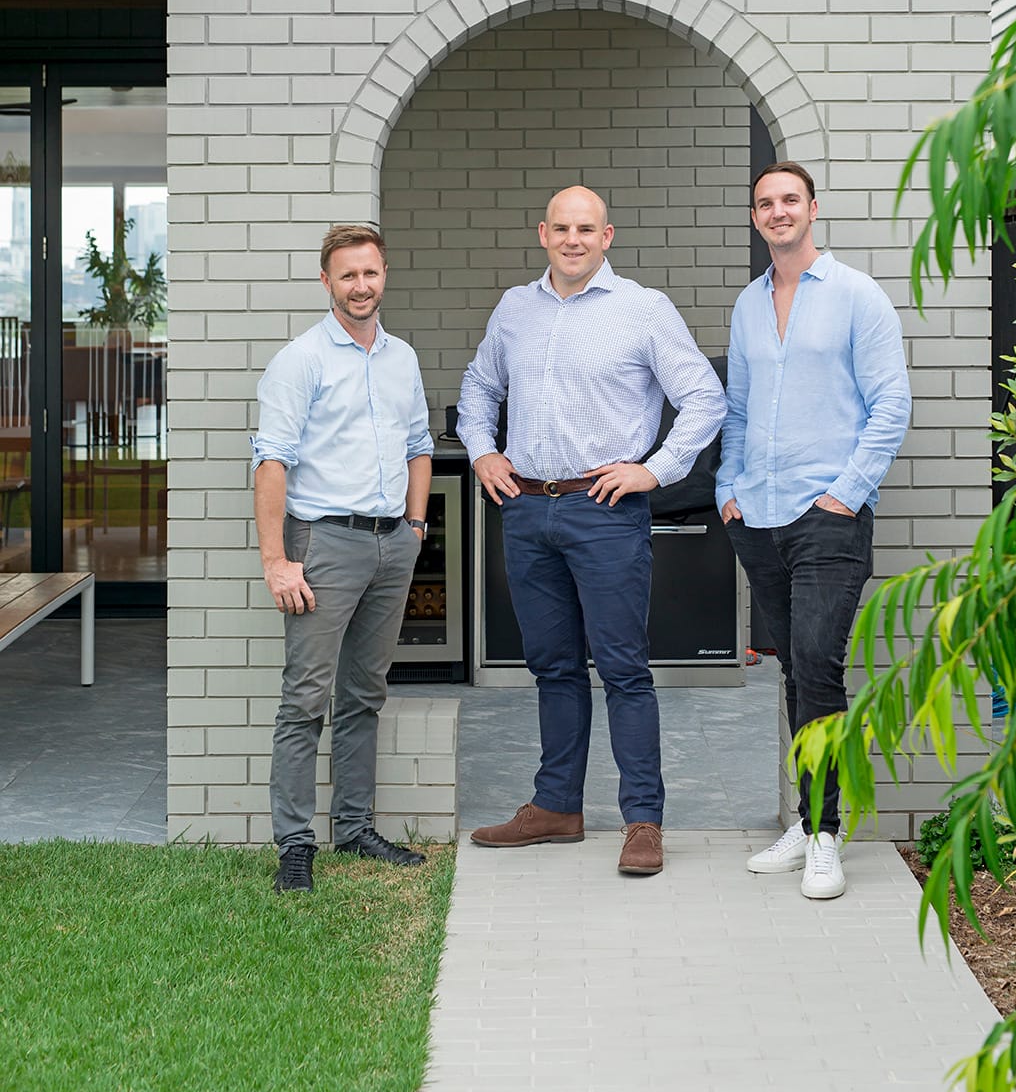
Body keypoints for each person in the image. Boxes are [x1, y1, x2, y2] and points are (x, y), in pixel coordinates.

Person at [457, 186, 727, 877]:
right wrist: (483, 451)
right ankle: (556, 808)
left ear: (606, 237)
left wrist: (655, 469)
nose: (572, 239)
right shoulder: (514, 309)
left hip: (603, 512)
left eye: (586, 229)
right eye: (561, 228)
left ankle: (643, 821)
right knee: (551, 666)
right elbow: (479, 386)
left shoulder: (642, 309)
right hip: (526, 509)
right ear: (542, 233)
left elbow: (703, 397)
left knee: (622, 668)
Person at [718, 163, 911, 900]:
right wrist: (728, 487)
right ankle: (807, 823)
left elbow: (891, 404)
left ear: (812, 210)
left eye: (789, 200)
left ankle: (827, 835)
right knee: (794, 672)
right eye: (764, 203)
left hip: (827, 518)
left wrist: (845, 494)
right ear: (755, 217)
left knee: (818, 667)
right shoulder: (748, 304)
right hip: (758, 516)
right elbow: (738, 408)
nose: (777, 212)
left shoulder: (857, 295)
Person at [252, 223, 433, 894]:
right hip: (323, 544)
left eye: (370, 273)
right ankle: (295, 845)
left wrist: (415, 526)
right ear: (326, 281)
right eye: (348, 274)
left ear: (385, 276)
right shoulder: (300, 360)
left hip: (391, 543)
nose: (361, 285)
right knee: (305, 699)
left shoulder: (401, 358)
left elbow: (419, 445)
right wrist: (277, 561)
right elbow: (271, 462)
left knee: (364, 693)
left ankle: (354, 828)